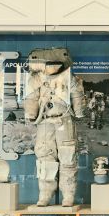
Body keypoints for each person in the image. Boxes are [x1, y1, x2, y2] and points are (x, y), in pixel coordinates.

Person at [24, 48, 85, 207]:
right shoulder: (36, 79)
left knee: (68, 157)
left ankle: (68, 194)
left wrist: (79, 112)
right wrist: (31, 114)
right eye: (51, 64)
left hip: (64, 119)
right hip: (45, 120)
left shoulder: (68, 78)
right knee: (45, 157)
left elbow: (77, 95)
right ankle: (45, 193)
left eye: (56, 64)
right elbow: (31, 98)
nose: (54, 67)